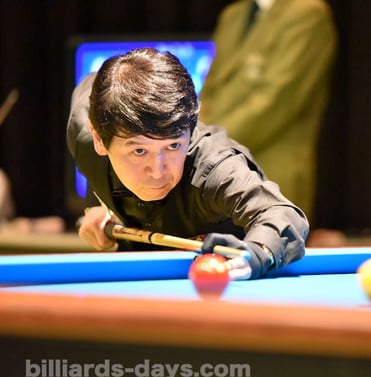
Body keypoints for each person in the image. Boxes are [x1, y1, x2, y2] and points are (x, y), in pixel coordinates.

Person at [68, 47, 309, 280]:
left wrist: (254, 254)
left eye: (173, 146)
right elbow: (93, 82)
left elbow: (282, 214)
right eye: (139, 151)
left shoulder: (214, 169)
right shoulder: (84, 135)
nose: (158, 172)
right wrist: (99, 206)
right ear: (99, 139)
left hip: (231, 286)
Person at [199, 0, 337, 221]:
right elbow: (209, 88)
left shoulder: (307, 13)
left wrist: (204, 143)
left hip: (270, 176)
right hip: (215, 176)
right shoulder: (233, 15)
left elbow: (276, 102)